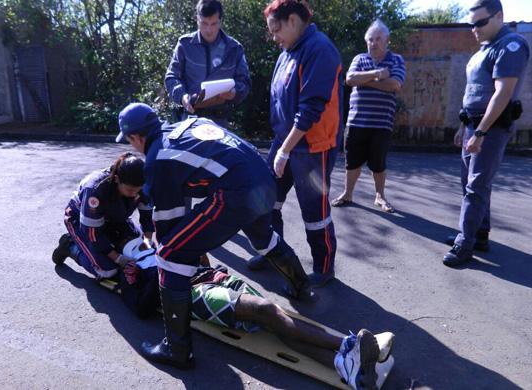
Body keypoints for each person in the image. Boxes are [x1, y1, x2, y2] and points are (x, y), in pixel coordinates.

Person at [115, 102, 317, 369]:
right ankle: (301, 287)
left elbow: (169, 228)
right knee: (262, 238)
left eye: (130, 141)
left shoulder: (157, 160)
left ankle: (177, 349)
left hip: (236, 191)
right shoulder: (188, 123)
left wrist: (172, 258)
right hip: (264, 180)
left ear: (136, 137)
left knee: (169, 255)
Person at [115, 237, 395, 390]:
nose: (145, 246)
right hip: (194, 295)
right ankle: (350, 346)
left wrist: (194, 253)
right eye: (138, 248)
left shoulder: (167, 243)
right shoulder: (141, 270)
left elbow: (202, 260)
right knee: (266, 310)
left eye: (144, 244)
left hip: (218, 279)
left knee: (276, 323)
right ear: (132, 255)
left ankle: (349, 369)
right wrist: (144, 273)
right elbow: (142, 305)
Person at [247, 0, 343, 289]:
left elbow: (310, 109)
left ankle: (324, 267)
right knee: (266, 199)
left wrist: (286, 150)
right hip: (285, 140)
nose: (274, 37)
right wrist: (281, 146)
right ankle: (272, 251)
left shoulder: (319, 49)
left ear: (292, 20)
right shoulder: (287, 51)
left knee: (314, 211)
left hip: (313, 146)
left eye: (276, 30)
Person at [443, 0, 529, 267]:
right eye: (472, 24)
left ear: (499, 16)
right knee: (472, 185)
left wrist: (480, 132)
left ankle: (465, 244)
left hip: (489, 128)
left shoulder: (510, 46)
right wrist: (463, 127)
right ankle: (479, 234)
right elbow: (473, 93)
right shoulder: (484, 49)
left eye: (480, 22)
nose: (474, 29)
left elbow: (503, 93)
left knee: (476, 186)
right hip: (473, 126)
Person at [330, 19, 406, 214]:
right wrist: (378, 74)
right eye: (370, 39)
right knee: (352, 161)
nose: (374, 43)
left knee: (378, 163)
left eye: (378, 39)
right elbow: (349, 79)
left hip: (382, 123)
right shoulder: (359, 59)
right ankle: (348, 194)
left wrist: (365, 80)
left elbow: (394, 85)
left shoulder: (396, 60)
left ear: (387, 40)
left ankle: (380, 196)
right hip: (356, 122)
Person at [51, 152, 154, 282]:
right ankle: (71, 247)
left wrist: (147, 241)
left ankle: (113, 249)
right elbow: (92, 234)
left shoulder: (143, 184)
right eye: (129, 190)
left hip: (115, 219)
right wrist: (118, 258)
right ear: (117, 179)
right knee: (108, 270)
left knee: (143, 252)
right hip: (82, 221)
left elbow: (147, 217)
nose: (134, 194)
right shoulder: (95, 190)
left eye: (137, 190)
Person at [165, 0, 251, 127]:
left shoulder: (234, 49)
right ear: (197, 19)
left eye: (214, 24)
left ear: (220, 21)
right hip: (190, 118)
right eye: (204, 23)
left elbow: (244, 81)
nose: (209, 30)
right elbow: (172, 77)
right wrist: (182, 97)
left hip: (220, 120)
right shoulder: (184, 44)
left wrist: (234, 92)